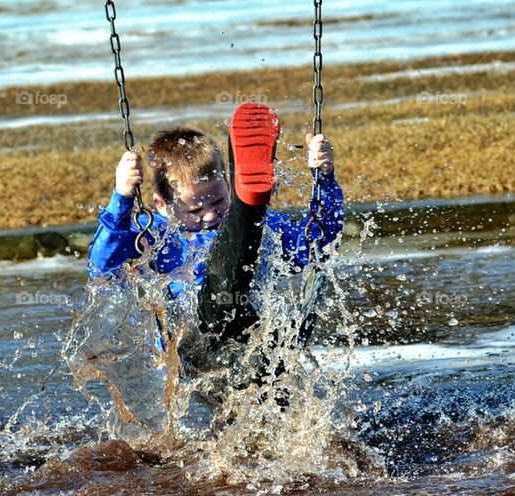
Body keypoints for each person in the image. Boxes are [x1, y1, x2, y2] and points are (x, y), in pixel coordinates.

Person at [87, 102, 344, 349]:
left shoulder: (265, 229)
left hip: (251, 340)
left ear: (228, 186)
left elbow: (318, 244)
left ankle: (249, 201)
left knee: (248, 236)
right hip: (188, 348)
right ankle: (249, 203)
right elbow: (102, 267)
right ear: (162, 205)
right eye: (194, 210)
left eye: (219, 200)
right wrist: (121, 198)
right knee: (216, 305)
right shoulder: (153, 234)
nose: (210, 216)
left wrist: (324, 177)